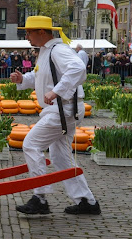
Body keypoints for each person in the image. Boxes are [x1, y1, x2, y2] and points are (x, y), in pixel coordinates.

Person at [11, 16, 100, 216]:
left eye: (29, 32)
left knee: (31, 144)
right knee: (61, 158)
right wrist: (23, 79)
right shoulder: (46, 51)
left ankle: (40, 197)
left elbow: (78, 69)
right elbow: (41, 76)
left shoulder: (58, 50)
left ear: (42, 32)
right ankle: (86, 201)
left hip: (62, 110)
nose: (26, 37)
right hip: (63, 110)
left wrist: (56, 92)